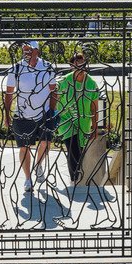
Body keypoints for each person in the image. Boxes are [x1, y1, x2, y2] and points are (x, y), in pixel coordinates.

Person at [1, 41, 58, 195]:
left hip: (44, 113)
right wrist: (7, 115)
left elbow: (54, 90)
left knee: (46, 142)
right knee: (24, 147)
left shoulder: (47, 67)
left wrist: (52, 112)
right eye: (23, 49)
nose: (25, 52)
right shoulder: (17, 68)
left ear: (36, 51)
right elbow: (9, 93)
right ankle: (27, 178)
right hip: (23, 114)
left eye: (28, 50)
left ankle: (38, 165)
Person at [54, 51, 104, 192]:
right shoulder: (64, 81)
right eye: (77, 65)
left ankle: (74, 177)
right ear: (71, 66)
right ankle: (74, 179)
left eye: (82, 65)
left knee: (78, 151)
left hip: (83, 122)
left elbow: (94, 107)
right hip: (66, 120)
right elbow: (55, 98)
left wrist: (95, 126)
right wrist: (55, 116)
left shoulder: (91, 83)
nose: (80, 68)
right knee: (73, 148)